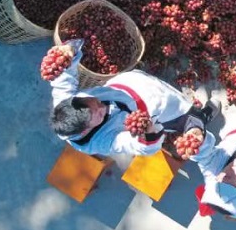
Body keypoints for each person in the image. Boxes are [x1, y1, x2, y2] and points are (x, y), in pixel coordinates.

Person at [48, 43, 219, 156]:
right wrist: (148, 133)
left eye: (96, 101)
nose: (102, 107)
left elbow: (63, 77)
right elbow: (139, 147)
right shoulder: (98, 142)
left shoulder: (65, 104)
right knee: (186, 117)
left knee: (162, 88)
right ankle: (202, 117)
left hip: (132, 84)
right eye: (99, 114)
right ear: (85, 131)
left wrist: (67, 52)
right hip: (155, 110)